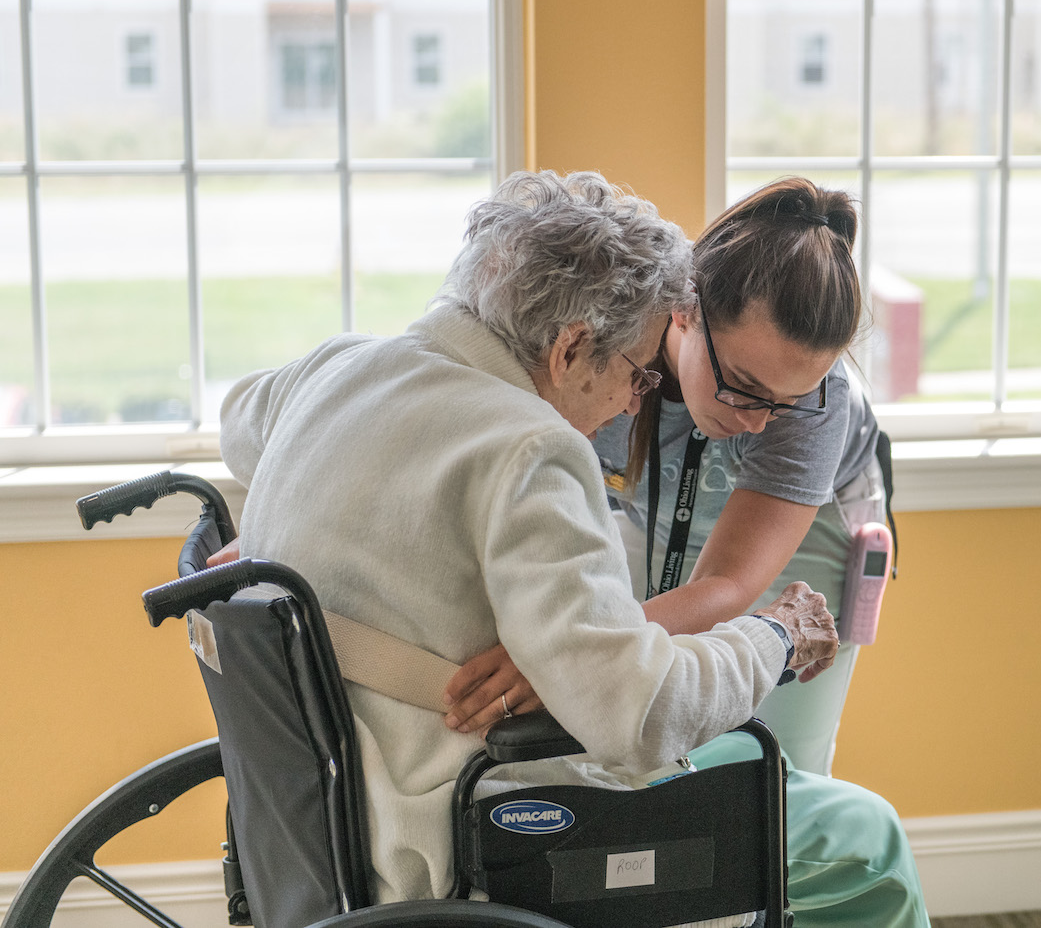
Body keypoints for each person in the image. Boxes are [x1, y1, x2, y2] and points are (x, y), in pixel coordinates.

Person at [217, 170, 928, 926]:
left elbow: (239, 422)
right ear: (570, 349)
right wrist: (776, 635)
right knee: (865, 834)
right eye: (634, 372)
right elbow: (642, 713)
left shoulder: (338, 366)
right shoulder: (531, 450)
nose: (635, 399)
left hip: (325, 814)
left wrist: (278, 531)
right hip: (468, 823)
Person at [444, 177, 888, 778]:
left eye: (789, 400)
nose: (758, 423)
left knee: (779, 766)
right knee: (642, 726)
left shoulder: (823, 402)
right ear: (684, 308)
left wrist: (564, 653)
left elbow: (729, 584)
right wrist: (565, 650)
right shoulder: (600, 353)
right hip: (644, 506)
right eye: (744, 386)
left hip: (812, 532)